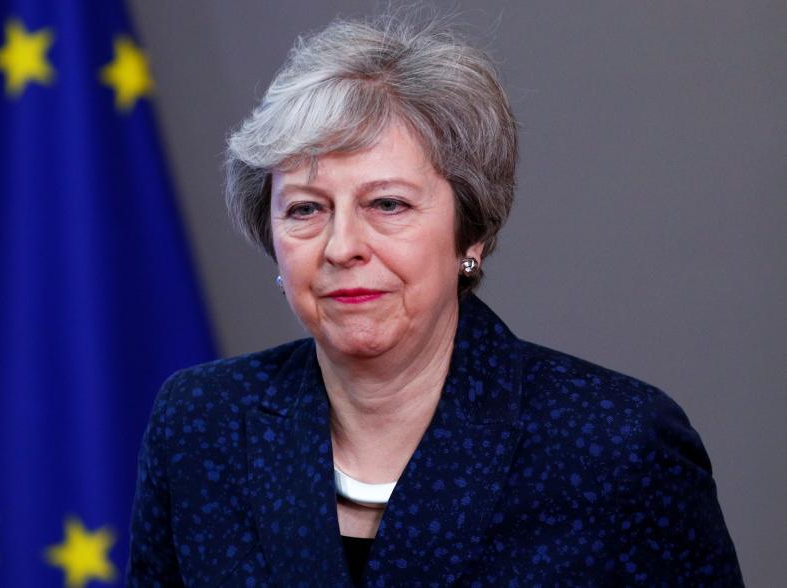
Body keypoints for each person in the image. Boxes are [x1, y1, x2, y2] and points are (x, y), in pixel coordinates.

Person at [126, 14, 743, 587]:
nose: (342, 247)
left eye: (387, 204)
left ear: (469, 231)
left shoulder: (615, 442)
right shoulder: (200, 422)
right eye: (307, 210)